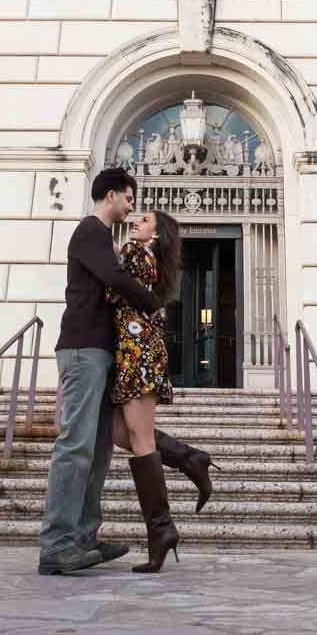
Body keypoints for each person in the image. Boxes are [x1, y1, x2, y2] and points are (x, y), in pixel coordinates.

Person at [39, 166, 159, 575]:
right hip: (82, 349)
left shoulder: (104, 237)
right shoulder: (91, 231)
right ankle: (57, 544)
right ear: (111, 195)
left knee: (100, 450)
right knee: (75, 446)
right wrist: (152, 300)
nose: (130, 207)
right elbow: (113, 278)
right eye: (128, 199)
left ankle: (85, 539)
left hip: (101, 352)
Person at [106, 208, 188, 572]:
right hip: (140, 351)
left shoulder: (133, 252)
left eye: (145, 221)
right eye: (136, 218)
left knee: (139, 440)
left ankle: (161, 530)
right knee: (121, 432)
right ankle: (190, 459)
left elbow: (110, 292)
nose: (136, 222)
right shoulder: (153, 260)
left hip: (137, 352)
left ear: (155, 234)